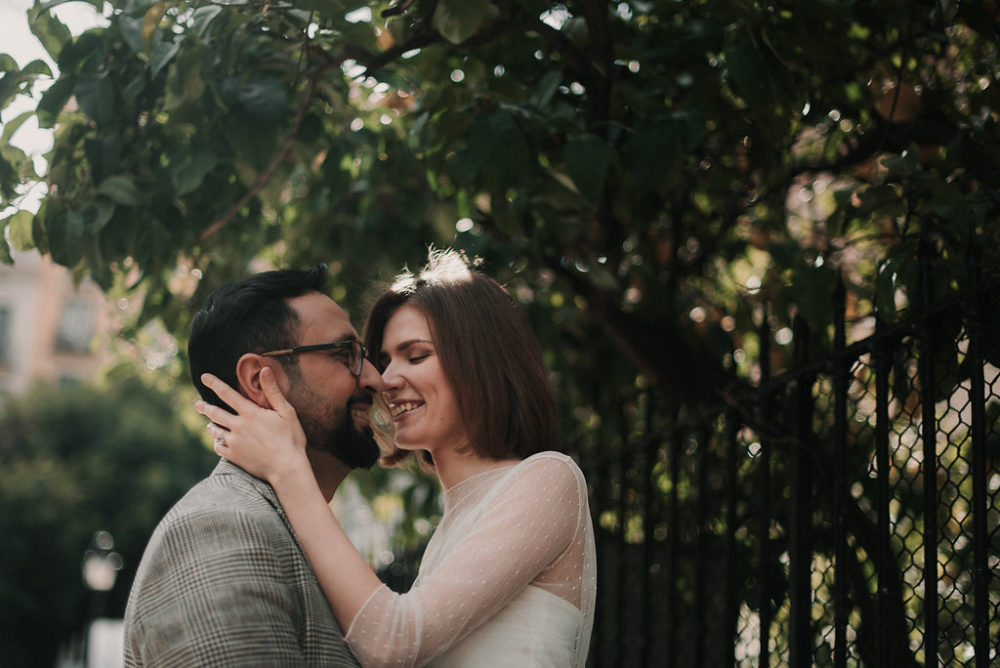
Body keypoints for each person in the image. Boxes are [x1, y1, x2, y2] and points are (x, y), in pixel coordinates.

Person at [196, 249, 597, 667]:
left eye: (417, 355)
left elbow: (394, 642)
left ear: (481, 361)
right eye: (384, 360)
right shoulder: (453, 524)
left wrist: (287, 467)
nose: (383, 380)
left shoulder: (549, 479)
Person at [123, 266, 383, 666]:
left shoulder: (290, 528)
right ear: (260, 382)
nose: (374, 378)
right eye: (344, 354)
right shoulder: (220, 528)